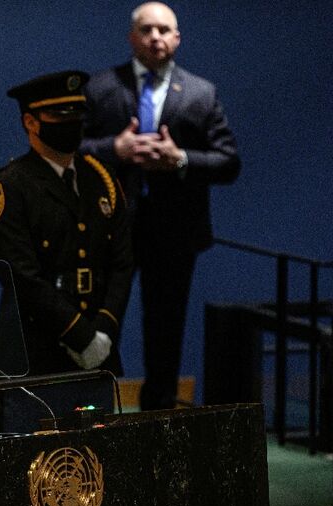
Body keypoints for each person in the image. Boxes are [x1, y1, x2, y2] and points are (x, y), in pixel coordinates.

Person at [80, 2, 240, 410]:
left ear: (177, 38)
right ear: (132, 37)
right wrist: (114, 149)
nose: (155, 37)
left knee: (167, 326)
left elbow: (229, 162)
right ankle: (94, 411)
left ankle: (160, 415)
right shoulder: (99, 87)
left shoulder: (202, 93)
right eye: (147, 29)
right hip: (111, 227)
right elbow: (69, 150)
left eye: (164, 30)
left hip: (175, 230)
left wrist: (180, 159)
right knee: (100, 323)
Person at [0, 71, 134, 433]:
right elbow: (21, 275)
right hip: (35, 358)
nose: (72, 124)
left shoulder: (102, 179)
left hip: (98, 355)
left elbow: (122, 263)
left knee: (95, 459)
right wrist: (79, 335)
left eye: (77, 115)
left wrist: (104, 330)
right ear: (31, 122)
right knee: (29, 461)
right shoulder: (8, 186)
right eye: (59, 116)